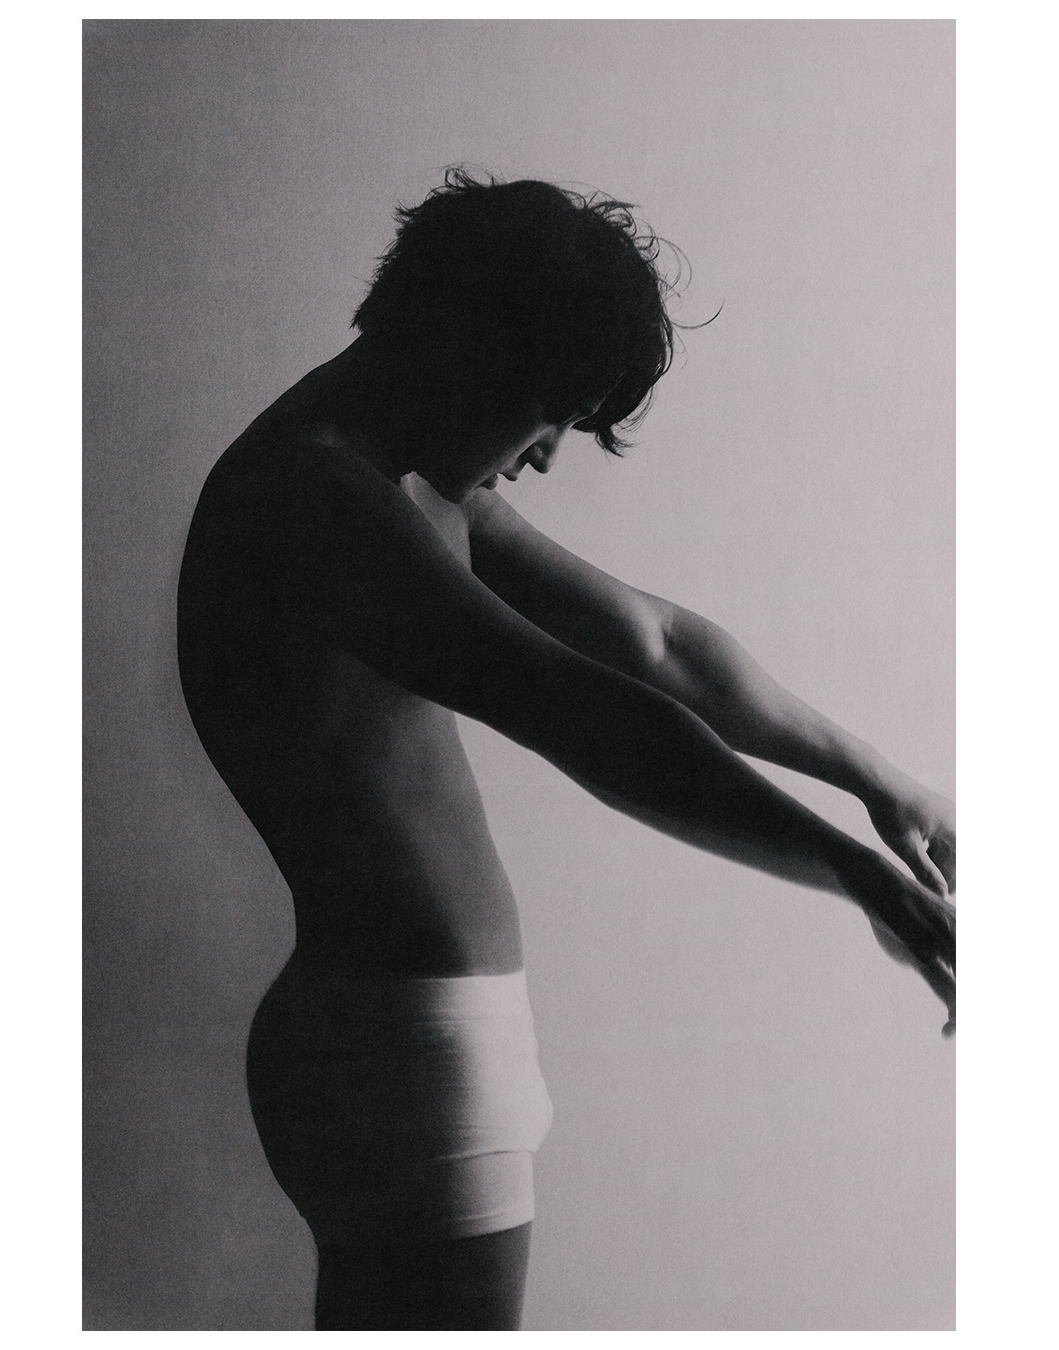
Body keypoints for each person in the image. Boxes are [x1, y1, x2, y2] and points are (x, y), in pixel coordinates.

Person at [176, 170, 955, 1331]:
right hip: (403, 1044)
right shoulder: (316, 501)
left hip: (410, 1034)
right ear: (470, 348)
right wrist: (857, 876)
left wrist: (875, 779)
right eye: (549, 413)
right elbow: (578, 711)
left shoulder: (401, 482)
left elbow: (657, 645)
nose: (544, 456)